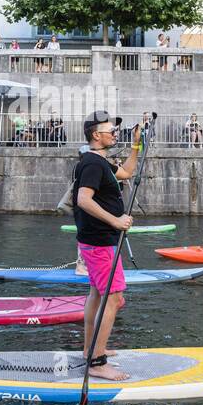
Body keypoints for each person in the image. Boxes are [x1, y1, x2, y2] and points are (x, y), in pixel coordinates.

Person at [71, 111, 141, 381]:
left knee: (97, 295)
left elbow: (127, 172)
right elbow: (83, 199)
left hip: (99, 239)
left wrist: (136, 145)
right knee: (113, 297)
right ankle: (97, 363)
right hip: (100, 240)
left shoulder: (101, 161)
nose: (115, 134)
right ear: (95, 135)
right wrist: (116, 220)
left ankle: (90, 348)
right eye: (110, 130)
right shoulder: (92, 164)